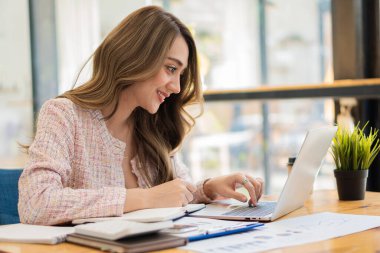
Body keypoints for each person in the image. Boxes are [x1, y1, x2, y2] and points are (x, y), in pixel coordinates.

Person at [18, 6, 264, 225]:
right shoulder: (64, 115)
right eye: (170, 68)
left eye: (180, 74)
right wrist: (146, 198)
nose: (177, 87)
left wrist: (208, 188)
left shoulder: (150, 125)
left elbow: (175, 191)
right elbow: (36, 203)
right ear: (136, 56)